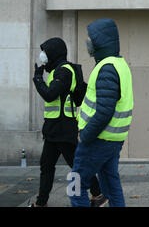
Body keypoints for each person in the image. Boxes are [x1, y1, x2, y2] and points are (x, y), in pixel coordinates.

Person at [31, 37, 107, 207]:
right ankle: (40, 203)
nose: (43, 55)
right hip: (53, 129)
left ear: (54, 52)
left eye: (45, 51)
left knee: (78, 165)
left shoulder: (65, 71)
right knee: (47, 165)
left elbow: (50, 94)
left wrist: (37, 79)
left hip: (64, 129)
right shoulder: (56, 71)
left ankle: (99, 194)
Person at [70, 18, 134, 207]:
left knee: (75, 185)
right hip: (112, 140)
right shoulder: (119, 65)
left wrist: (86, 136)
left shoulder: (107, 68)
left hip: (97, 140)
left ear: (101, 41)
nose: (88, 42)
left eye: (91, 38)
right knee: (110, 186)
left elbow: (105, 110)